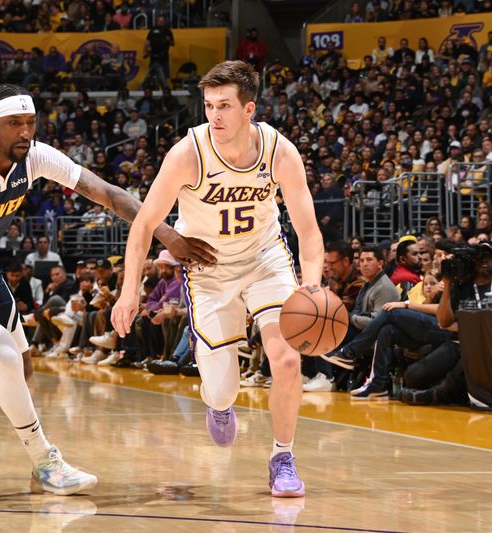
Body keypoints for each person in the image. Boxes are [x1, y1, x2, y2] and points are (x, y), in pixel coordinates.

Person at [0, 84, 216, 497]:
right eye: (14, 124)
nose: (25, 132)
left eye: (30, 123)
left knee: (19, 371)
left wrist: (166, 234)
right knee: (6, 356)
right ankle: (44, 462)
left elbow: (108, 194)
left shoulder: (37, 157)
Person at [112, 61, 324, 498]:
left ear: (249, 109)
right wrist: (129, 289)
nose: (215, 115)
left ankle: (282, 456)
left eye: (225, 106)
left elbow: (307, 229)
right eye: (209, 105)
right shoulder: (187, 154)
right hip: (209, 272)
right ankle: (221, 404)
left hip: (266, 260)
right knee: (223, 389)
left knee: (286, 360)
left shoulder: (279, 152)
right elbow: (144, 223)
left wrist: (312, 286)